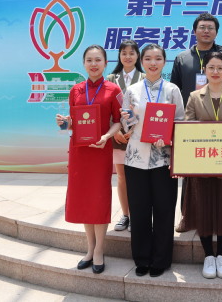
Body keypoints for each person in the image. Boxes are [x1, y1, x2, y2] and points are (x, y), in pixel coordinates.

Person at [170, 12, 222, 232]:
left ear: (216, 32)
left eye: (210, 28)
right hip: (192, 124)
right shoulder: (182, 58)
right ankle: (187, 216)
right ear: (194, 31)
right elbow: (174, 90)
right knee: (191, 173)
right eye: (202, 27)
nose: (206, 31)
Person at [55, 45, 122, 274]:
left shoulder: (113, 90)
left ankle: (100, 249)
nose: (94, 64)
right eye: (89, 60)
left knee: (99, 198)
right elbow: (74, 122)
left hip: (101, 150)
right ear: (84, 63)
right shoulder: (76, 90)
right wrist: (64, 122)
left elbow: (118, 121)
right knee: (84, 198)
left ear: (105, 63)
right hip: (80, 152)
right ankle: (90, 248)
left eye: (98, 60)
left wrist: (106, 137)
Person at [121, 43, 185, 278]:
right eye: (148, 58)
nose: (153, 63)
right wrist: (127, 119)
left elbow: (180, 121)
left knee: (164, 210)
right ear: (142, 62)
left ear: (164, 62)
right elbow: (125, 123)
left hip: (163, 159)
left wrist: (168, 137)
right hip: (136, 158)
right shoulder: (132, 90)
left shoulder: (172, 90)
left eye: (158, 59)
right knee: (139, 211)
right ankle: (141, 258)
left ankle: (161, 259)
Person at [181, 51, 222, 279]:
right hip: (202, 163)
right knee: (204, 209)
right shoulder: (194, 96)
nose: (215, 72)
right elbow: (187, 128)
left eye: (220, 68)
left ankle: (221, 256)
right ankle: (209, 255)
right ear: (205, 71)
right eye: (211, 68)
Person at [106, 40, 145, 232]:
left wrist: (133, 130)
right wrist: (116, 131)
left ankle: (138, 215)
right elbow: (105, 109)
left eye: (132, 53)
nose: (128, 57)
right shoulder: (110, 78)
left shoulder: (145, 78)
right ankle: (126, 215)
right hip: (118, 135)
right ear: (119, 56)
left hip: (139, 135)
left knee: (139, 178)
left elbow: (148, 109)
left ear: (138, 56)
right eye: (124, 53)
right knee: (122, 177)